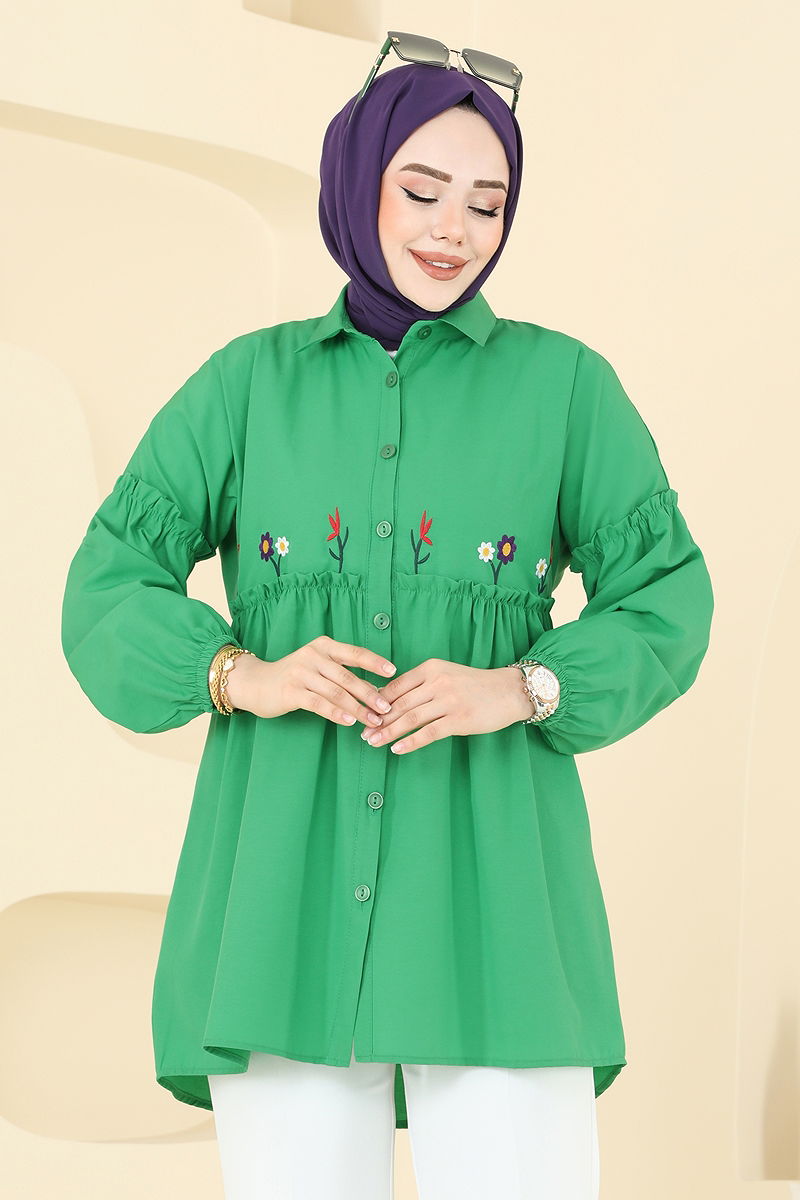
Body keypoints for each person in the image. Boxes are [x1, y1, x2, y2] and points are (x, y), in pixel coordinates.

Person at [61, 37, 714, 1200]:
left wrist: (521, 687)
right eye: (419, 190)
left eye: (485, 203)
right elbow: (106, 584)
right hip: (281, 906)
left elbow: (666, 593)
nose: (452, 229)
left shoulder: (563, 388)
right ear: (356, 181)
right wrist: (239, 672)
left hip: (497, 908)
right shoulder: (245, 386)